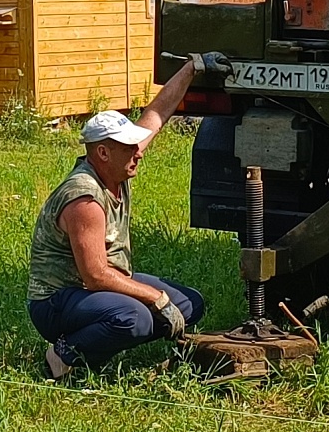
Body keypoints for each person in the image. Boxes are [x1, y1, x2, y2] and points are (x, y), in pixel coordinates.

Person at [27, 52, 228, 378]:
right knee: (135, 317)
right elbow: (94, 276)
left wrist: (193, 67)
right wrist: (156, 298)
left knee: (190, 304)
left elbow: (156, 116)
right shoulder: (84, 197)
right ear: (103, 153)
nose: (138, 152)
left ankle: (101, 340)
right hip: (59, 301)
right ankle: (63, 354)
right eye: (129, 147)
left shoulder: (116, 166)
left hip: (96, 289)